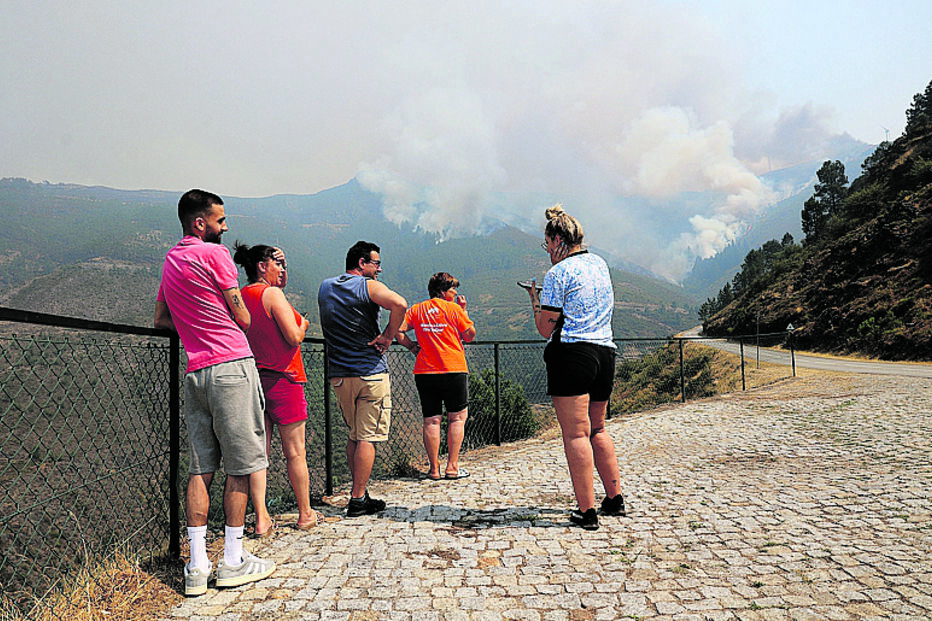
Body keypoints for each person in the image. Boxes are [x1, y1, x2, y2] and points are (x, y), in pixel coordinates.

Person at [154, 189, 275, 596]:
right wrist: (224, 321)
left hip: (196, 371)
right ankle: (232, 560)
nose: (226, 228)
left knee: (201, 467)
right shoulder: (216, 256)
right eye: (221, 221)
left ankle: (196, 566)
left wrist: (196, 329)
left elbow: (161, 319)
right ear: (200, 223)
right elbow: (241, 316)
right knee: (241, 464)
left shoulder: (171, 261)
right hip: (232, 368)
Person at [521, 204, 626, 531]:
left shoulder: (557, 274)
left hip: (572, 354)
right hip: (605, 353)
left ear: (557, 240)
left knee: (575, 433)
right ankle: (614, 498)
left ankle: (587, 511)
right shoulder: (599, 263)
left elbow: (544, 328)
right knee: (598, 428)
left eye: (547, 244)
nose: (548, 250)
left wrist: (535, 300)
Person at [233, 242, 319, 533]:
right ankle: (305, 513)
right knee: (295, 451)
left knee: (261, 452)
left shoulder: (241, 296)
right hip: (284, 378)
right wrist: (304, 324)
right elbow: (294, 336)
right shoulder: (273, 295)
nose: (282, 269)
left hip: (253, 378)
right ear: (262, 266)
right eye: (278, 264)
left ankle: (261, 518)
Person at [317, 240, 407, 517]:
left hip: (340, 375)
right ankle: (358, 499)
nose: (379, 269)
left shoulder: (326, 286)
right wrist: (388, 336)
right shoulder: (368, 286)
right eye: (376, 263)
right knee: (367, 437)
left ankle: (359, 491)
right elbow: (400, 304)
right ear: (361, 263)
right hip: (370, 371)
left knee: (354, 435)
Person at [397, 272, 476, 480]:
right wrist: (463, 312)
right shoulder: (454, 309)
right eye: (452, 289)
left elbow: (398, 331)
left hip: (425, 370)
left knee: (431, 420)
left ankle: (433, 470)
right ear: (443, 291)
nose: (455, 292)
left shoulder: (416, 309)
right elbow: (469, 335)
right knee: (457, 418)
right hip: (453, 369)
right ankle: (452, 467)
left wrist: (412, 346)